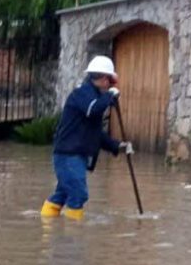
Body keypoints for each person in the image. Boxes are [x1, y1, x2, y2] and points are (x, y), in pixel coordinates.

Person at [41, 55, 133, 220]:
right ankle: (73, 236)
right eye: (110, 82)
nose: (110, 86)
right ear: (104, 79)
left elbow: (95, 133)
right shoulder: (82, 94)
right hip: (68, 155)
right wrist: (109, 97)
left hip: (76, 156)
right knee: (78, 193)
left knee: (62, 194)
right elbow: (93, 109)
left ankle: (47, 225)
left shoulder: (95, 97)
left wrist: (117, 146)